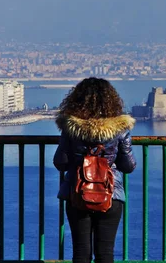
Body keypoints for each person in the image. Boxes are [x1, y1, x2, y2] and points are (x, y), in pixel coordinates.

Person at [53, 77, 137, 263]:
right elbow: (128, 166)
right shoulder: (120, 129)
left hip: (77, 193)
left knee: (81, 252)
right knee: (105, 252)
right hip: (111, 194)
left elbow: (60, 162)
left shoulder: (71, 128)